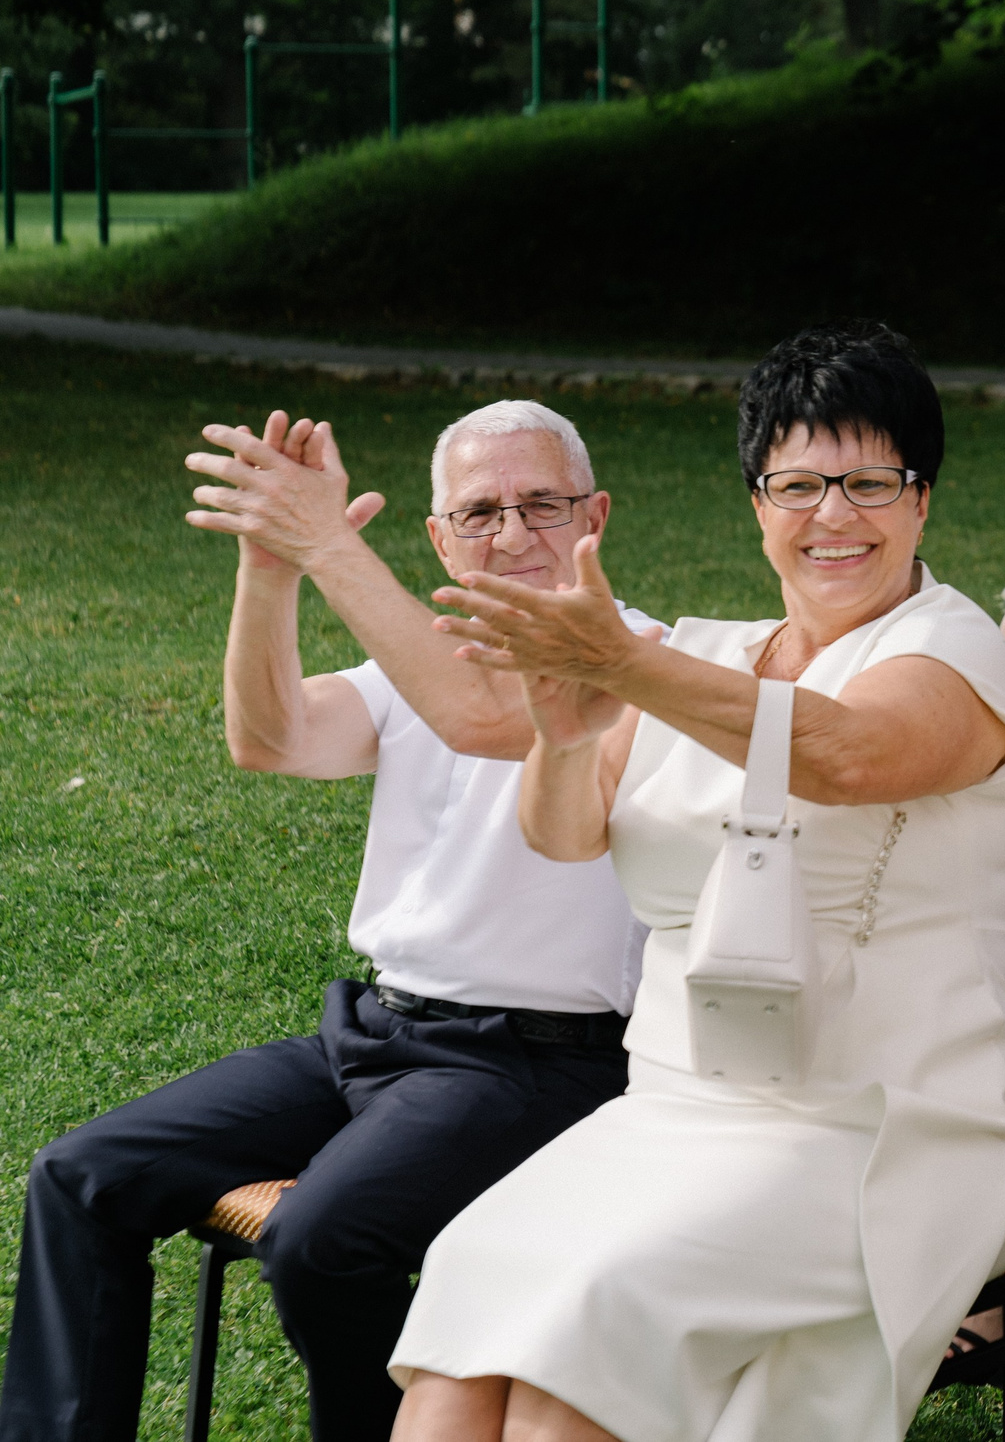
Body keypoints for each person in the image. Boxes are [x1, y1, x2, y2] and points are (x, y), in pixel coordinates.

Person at [387, 324, 1005, 1442]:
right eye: (797, 485)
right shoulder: (708, 653)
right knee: (468, 1314)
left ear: (921, 499)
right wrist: (563, 730)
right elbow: (564, 836)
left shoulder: (956, 653)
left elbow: (843, 755)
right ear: (757, 504)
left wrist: (625, 663)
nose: (833, 516)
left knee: (575, 1363)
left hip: (899, 1124)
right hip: (677, 1109)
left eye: (869, 483)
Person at [0, 402, 647, 1442]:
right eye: (479, 512)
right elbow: (271, 738)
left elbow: (485, 721)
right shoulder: (414, 668)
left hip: (536, 1065)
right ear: (439, 537)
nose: (512, 532)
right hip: (377, 1033)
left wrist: (330, 545)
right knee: (82, 1175)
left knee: (319, 1241)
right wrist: (271, 570)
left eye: (542, 503)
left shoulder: (643, 664)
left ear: (596, 517)